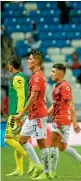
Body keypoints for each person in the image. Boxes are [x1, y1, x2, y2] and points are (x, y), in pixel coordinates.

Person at [47, 63, 81, 178]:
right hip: (58, 118)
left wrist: (75, 122)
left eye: (53, 72)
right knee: (62, 147)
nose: (50, 74)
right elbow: (54, 104)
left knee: (52, 144)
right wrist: (45, 114)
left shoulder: (65, 86)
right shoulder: (57, 87)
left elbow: (70, 105)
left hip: (61, 118)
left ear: (60, 73)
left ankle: (51, 172)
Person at [14, 50, 49, 179]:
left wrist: (21, 114)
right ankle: (38, 165)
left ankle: (46, 172)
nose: (27, 61)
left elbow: (33, 97)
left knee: (41, 143)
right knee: (22, 140)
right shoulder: (35, 76)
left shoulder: (38, 76)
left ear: (37, 61)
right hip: (32, 115)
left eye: (30, 59)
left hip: (38, 115)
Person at [4, 56, 34, 177]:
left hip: (16, 113)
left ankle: (32, 159)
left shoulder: (18, 78)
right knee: (17, 140)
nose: (8, 67)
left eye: (8, 65)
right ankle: (19, 169)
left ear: (11, 65)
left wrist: (18, 114)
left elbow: (21, 96)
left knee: (8, 138)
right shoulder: (20, 77)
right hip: (17, 112)